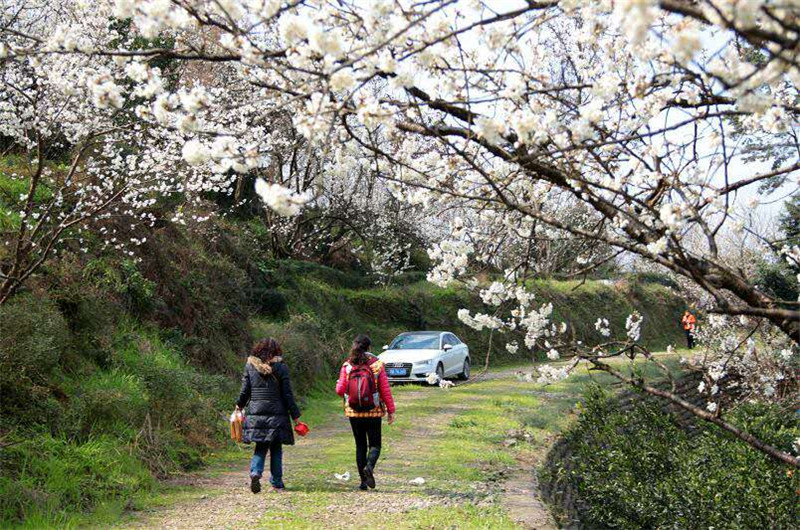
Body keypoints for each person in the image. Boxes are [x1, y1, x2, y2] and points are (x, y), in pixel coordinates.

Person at [236, 338, 301, 494]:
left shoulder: (250, 366)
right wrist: (296, 416)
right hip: (278, 414)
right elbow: (287, 394)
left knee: (261, 446)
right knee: (276, 448)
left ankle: (255, 472)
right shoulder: (281, 367)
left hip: (256, 413)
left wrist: (239, 406)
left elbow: (245, 391)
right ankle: (277, 481)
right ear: (277, 351)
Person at [335, 334, 396, 491]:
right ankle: (369, 467)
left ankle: (363, 482)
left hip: (353, 412)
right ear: (369, 348)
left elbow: (339, 390)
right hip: (373, 411)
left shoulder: (347, 366)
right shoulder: (377, 365)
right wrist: (391, 410)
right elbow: (385, 389)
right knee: (375, 444)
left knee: (360, 445)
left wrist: (350, 392)